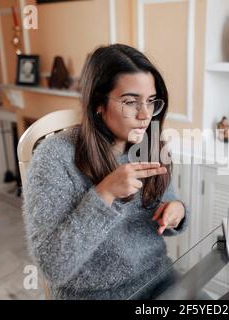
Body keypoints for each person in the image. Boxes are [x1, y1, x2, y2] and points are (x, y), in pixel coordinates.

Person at [22, 44, 188, 299]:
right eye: (130, 102)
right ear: (98, 103)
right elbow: (52, 266)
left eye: (151, 101)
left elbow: (168, 203)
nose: (145, 115)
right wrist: (104, 193)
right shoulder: (54, 157)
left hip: (159, 282)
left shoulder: (150, 144)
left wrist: (177, 211)